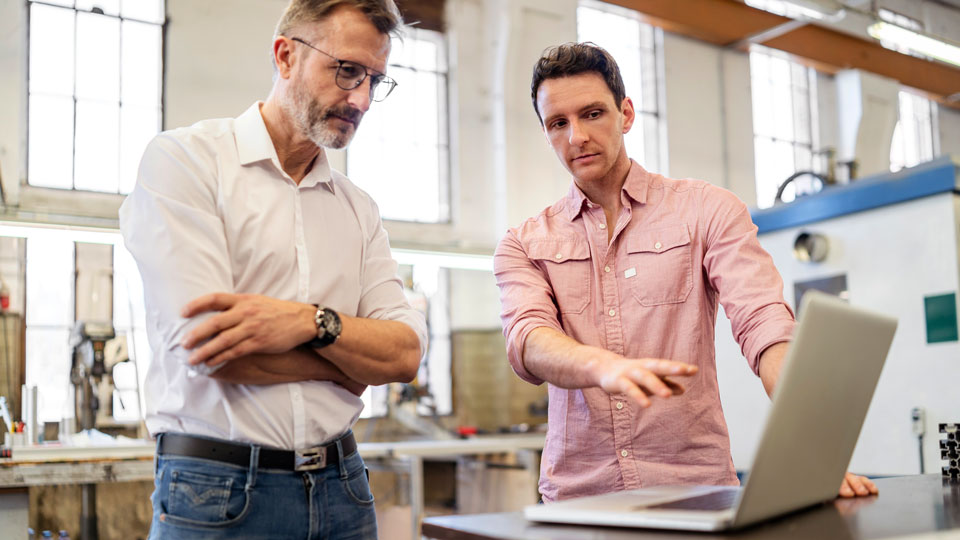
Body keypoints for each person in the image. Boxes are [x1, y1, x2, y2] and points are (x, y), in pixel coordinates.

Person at [493, 42, 877, 504]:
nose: (576, 137)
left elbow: (766, 325)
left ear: (626, 114)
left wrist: (818, 452)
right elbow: (528, 340)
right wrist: (605, 367)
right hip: (579, 501)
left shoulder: (706, 210)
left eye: (592, 114)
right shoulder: (523, 242)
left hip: (695, 494)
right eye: (559, 123)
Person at [119, 1, 427, 538]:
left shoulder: (357, 207)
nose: (361, 99)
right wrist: (347, 368)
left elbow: (403, 353)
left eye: (376, 81)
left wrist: (311, 323)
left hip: (344, 488)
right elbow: (209, 349)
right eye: (347, 70)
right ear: (285, 56)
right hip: (218, 490)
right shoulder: (185, 163)